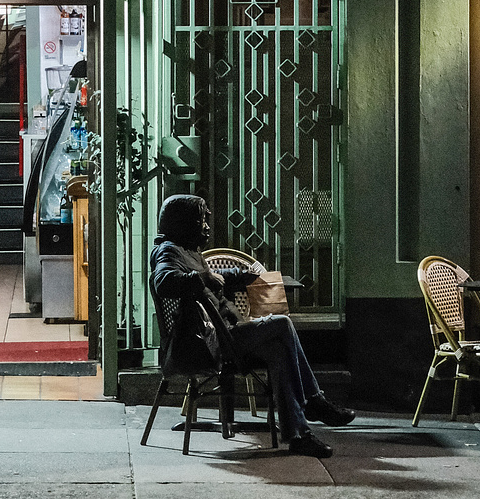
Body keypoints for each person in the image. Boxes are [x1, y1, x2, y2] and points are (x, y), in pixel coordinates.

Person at [149, 194, 354, 457]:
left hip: (221, 336)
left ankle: (299, 435)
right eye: (202, 220)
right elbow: (163, 281)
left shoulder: (188, 251)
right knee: (282, 324)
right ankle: (313, 400)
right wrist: (204, 277)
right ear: (184, 222)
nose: (207, 227)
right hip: (211, 344)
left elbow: (216, 278)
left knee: (279, 351)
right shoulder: (168, 250)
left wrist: (244, 276)